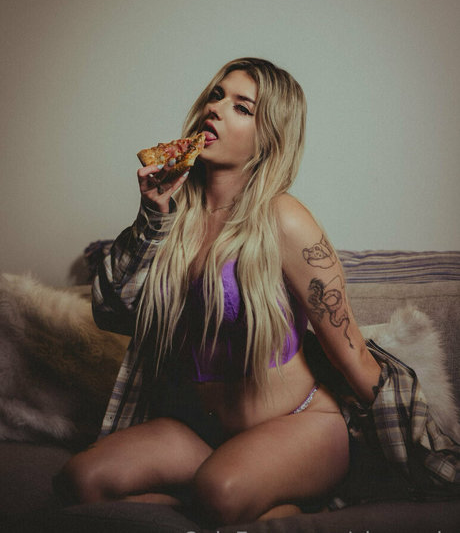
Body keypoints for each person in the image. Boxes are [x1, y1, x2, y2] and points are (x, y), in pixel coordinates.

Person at [57, 58, 460, 525]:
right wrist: (152, 213)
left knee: (220, 491)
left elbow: (351, 354)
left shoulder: (285, 220)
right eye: (216, 96)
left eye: (242, 107)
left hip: (300, 424)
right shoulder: (173, 216)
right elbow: (111, 311)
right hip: (203, 432)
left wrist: (421, 449)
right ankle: (236, 505)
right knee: (80, 480)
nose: (216, 109)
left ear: (268, 137)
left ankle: (258, 498)